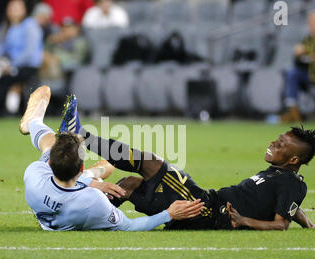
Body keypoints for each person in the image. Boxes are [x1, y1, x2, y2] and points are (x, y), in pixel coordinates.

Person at [59, 91, 315, 231]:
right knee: (130, 184)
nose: (273, 144)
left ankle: (80, 136)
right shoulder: (280, 177)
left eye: (280, 145)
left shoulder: (291, 182)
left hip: (207, 210)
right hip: (206, 205)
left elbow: (280, 224)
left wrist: (243, 221)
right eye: (276, 139)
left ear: (294, 159)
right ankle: (71, 214)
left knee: (151, 163)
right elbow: (286, 206)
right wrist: (307, 221)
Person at [19, 86, 204, 231]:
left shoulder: (34, 174)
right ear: (81, 168)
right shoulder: (92, 201)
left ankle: (34, 123)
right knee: (106, 170)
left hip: (50, 211)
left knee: (53, 146)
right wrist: (169, 214)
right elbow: (130, 226)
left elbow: (58, 167)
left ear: (50, 164)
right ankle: (54, 130)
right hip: (77, 204)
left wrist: (89, 182)